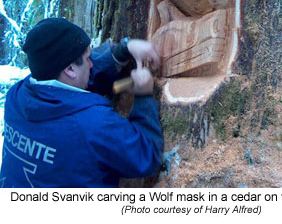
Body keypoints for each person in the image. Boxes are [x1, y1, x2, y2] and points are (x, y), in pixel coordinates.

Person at [0, 18, 163, 188]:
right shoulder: (93, 124)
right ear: (69, 69)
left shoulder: (16, 97)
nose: (92, 64)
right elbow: (146, 156)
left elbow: (64, 84)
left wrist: (122, 50)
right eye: (88, 58)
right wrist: (144, 96)